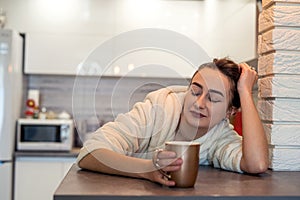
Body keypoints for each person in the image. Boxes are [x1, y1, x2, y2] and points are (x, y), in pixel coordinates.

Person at [77, 58, 269, 186]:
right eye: (195, 91)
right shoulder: (156, 110)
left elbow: (257, 164)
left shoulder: (220, 138)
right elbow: (90, 153)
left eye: (213, 98)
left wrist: (245, 92)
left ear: (230, 111)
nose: (199, 103)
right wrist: (147, 169)